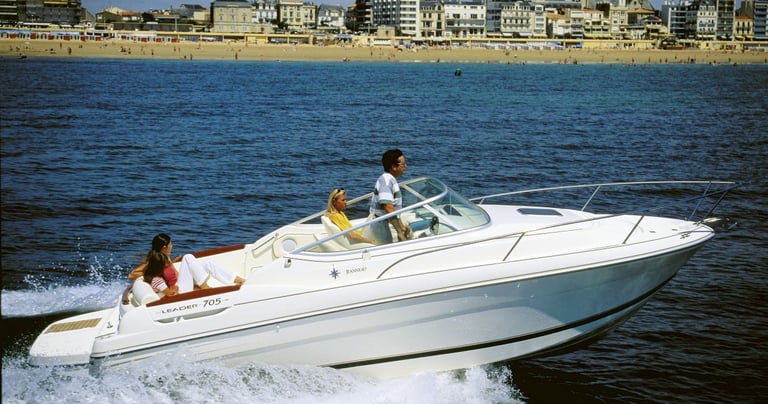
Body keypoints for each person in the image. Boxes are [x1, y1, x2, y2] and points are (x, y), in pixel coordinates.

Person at [127, 233, 245, 298]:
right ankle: (206, 288)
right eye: (170, 244)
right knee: (188, 257)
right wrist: (152, 272)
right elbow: (131, 275)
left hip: (182, 284)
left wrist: (190, 281)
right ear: (164, 247)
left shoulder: (166, 257)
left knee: (207, 264)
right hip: (179, 290)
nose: (172, 246)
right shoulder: (153, 261)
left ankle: (237, 280)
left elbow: (175, 273)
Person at [369, 149, 412, 243]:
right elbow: (388, 208)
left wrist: (402, 227)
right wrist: (400, 232)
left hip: (383, 223)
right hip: (380, 225)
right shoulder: (387, 181)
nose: (406, 166)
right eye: (403, 164)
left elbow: (394, 210)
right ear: (394, 167)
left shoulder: (390, 179)